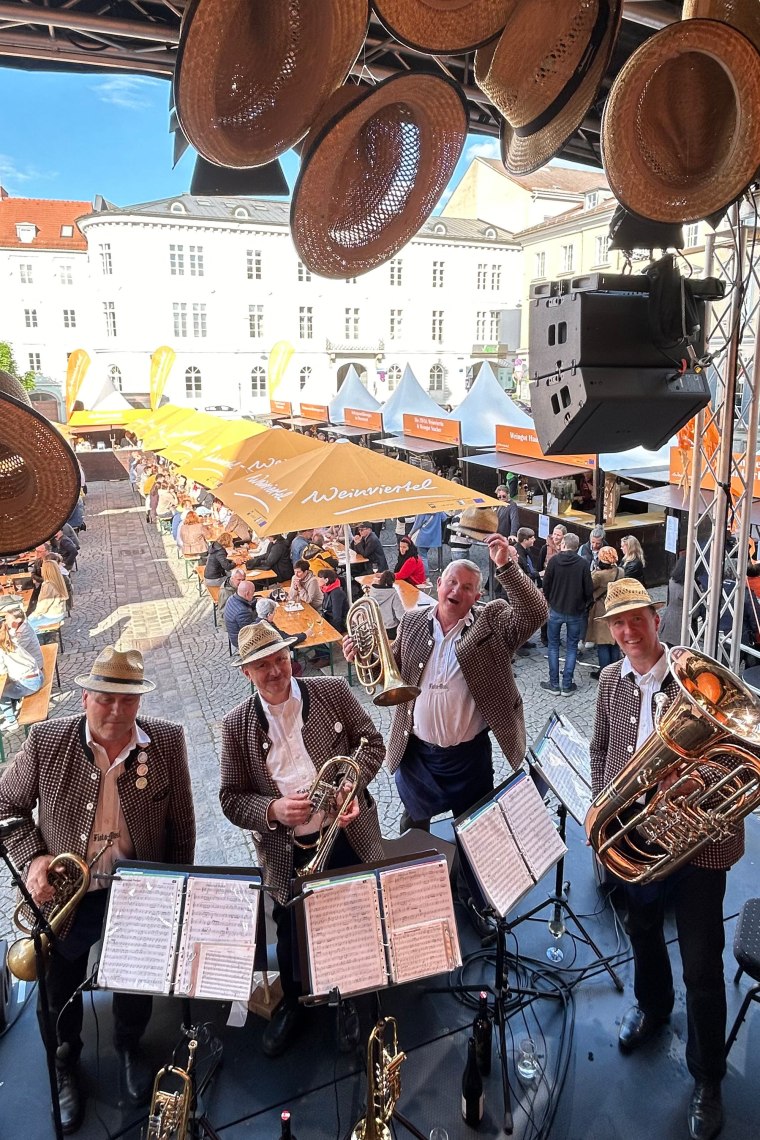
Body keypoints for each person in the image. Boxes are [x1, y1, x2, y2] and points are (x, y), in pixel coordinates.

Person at [0, 646, 195, 1131]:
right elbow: (6, 806)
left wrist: (176, 894)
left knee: (135, 979)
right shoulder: (47, 741)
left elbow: (181, 827)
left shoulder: (166, 742)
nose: (115, 710)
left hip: (137, 891)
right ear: (86, 698)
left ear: (140, 701)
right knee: (56, 988)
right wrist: (34, 857)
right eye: (105, 698)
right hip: (68, 896)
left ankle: (130, 1044)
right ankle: (65, 1060)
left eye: (127, 700)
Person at [590, 579, 738, 1140]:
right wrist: (603, 818)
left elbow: (733, 752)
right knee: (643, 929)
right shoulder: (610, 680)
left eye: (637, 619)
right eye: (618, 622)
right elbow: (602, 750)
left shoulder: (694, 677)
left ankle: (707, 1078)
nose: (628, 631)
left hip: (697, 842)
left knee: (702, 964)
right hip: (638, 838)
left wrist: (689, 781)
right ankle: (653, 1007)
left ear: (657, 619)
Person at [219, 622, 384, 1056]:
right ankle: (293, 1003)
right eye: (262, 665)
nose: (275, 671)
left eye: (280, 659)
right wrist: (272, 810)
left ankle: (347, 998)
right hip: (288, 850)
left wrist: (350, 786)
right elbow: (230, 798)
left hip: (344, 835)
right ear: (246, 672)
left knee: (351, 919)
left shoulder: (331, 691)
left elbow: (372, 743)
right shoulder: (235, 726)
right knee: (291, 933)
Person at [345, 536, 548, 831]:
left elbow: (536, 612)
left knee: (475, 831)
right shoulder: (412, 622)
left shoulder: (491, 622)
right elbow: (391, 670)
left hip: (469, 758)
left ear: (477, 597)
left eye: (467, 587)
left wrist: (506, 566)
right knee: (413, 830)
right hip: (418, 753)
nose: (456, 591)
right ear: (439, 584)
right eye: (451, 582)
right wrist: (365, 655)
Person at [541, 532, 593, 697]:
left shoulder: (554, 561)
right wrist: (584, 604)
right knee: (571, 647)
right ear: (577, 547)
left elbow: (546, 584)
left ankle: (554, 684)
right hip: (575, 611)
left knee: (553, 646)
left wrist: (550, 600)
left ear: (563, 544)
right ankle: (567, 684)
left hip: (556, 609)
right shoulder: (583, 564)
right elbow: (588, 589)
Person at [0, 603, 43, 720]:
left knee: (1, 691)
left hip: (31, 681)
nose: (6, 622)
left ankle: (11, 721)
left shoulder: (21, 634)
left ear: (18, 620)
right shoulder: (12, 638)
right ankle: (14, 702)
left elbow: (2, 671)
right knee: (9, 683)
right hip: (37, 674)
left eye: (7, 619)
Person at [588, 546, 623, 678]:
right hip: (616, 608)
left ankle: (604, 672)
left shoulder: (599, 575)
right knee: (614, 640)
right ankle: (615, 670)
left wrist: (594, 571)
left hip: (602, 609)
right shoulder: (620, 571)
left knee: (602, 642)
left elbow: (589, 586)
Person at [28, 559, 68, 642]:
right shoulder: (58, 580)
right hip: (59, 612)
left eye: (42, 568)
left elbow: (43, 605)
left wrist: (33, 615)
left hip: (51, 616)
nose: (41, 569)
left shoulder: (48, 585)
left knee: (27, 624)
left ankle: (41, 643)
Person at [659, 553, 688, 648]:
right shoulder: (688, 587)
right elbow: (694, 611)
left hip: (668, 619)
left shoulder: (672, 581)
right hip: (681, 626)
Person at [368, 570, 406, 639]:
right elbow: (400, 616)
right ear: (392, 581)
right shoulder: (393, 594)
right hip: (390, 629)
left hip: (374, 627)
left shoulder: (372, 591)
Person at [223, 580, 258, 649]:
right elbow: (252, 630)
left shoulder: (232, 598)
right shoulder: (242, 611)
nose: (253, 594)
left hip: (234, 633)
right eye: (253, 593)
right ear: (247, 594)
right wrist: (263, 617)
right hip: (243, 641)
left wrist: (255, 602)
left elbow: (245, 604)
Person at [317, 568, 349, 634]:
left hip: (338, 626)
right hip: (328, 620)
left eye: (319, 578)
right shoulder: (327, 589)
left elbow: (337, 617)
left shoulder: (336, 593)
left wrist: (333, 633)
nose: (317, 580)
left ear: (326, 580)